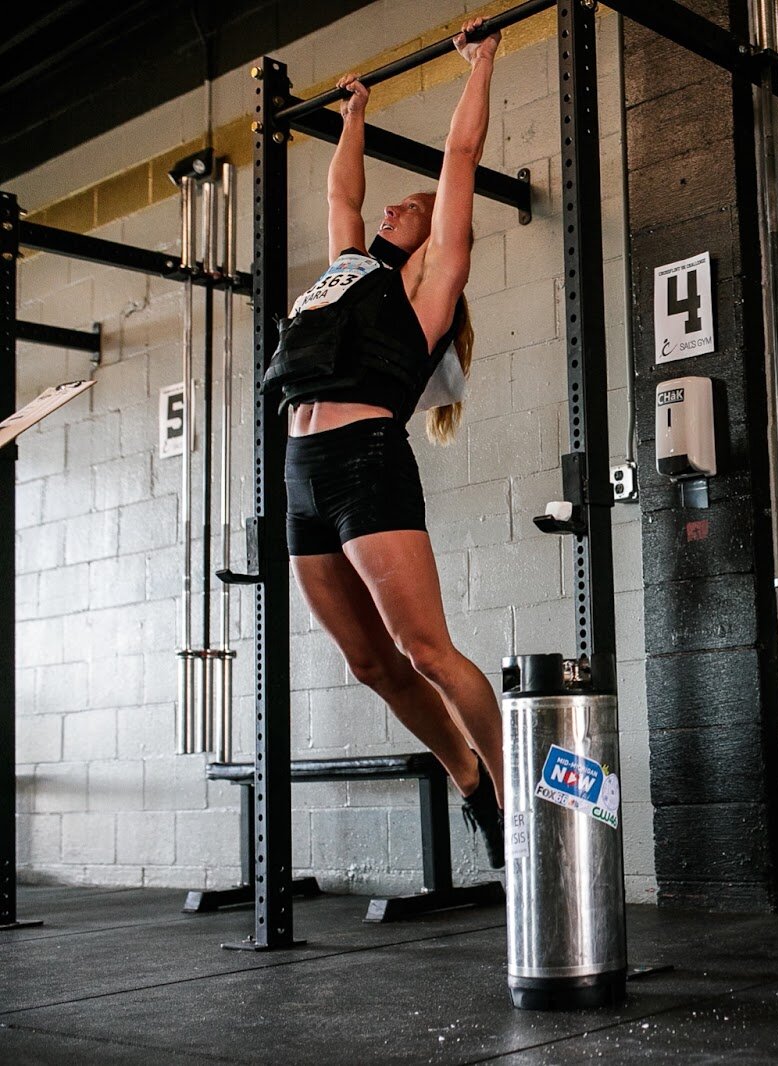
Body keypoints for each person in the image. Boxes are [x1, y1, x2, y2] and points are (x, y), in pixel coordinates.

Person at [263, 18, 505, 866]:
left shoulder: (431, 293)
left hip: (365, 463)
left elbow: (462, 159)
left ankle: (518, 804)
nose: (399, 205)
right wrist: (355, 111)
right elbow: (342, 195)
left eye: (415, 207)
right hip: (300, 471)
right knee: (370, 664)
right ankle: (468, 778)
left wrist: (480, 64)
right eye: (395, 203)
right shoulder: (346, 270)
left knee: (425, 650)